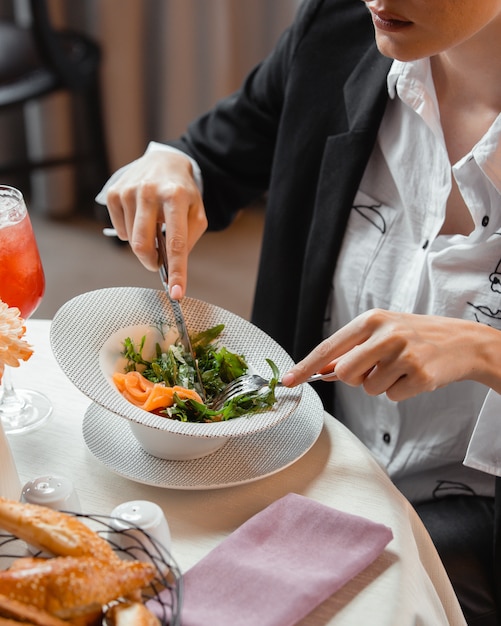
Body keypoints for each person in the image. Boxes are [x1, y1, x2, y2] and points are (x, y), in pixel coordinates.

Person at [97, 1, 501, 622]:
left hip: (478, 518)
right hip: (307, 454)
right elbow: (213, 154)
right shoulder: (336, 29)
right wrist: (170, 165)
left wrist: (482, 350)